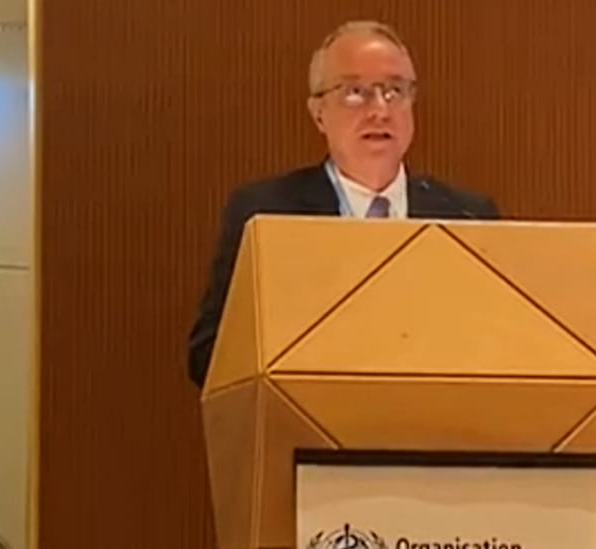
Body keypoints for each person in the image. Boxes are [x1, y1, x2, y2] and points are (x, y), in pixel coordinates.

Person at [187, 20, 500, 389]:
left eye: (395, 91)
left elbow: (500, 347)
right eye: (355, 92)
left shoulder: (468, 217)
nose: (380, 110)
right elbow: (209, 355)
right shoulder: (267, 213)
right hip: (308, 419)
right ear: (318, 112)